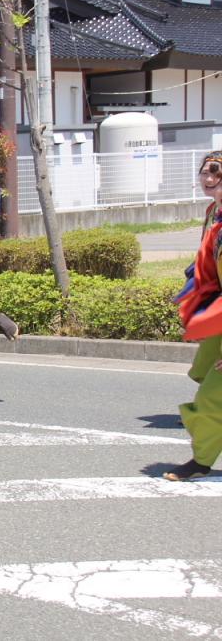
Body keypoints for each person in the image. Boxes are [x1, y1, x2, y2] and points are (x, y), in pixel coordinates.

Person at [168, 150, 222, 481]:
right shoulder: (214, 215)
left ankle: (201, 461)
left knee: (211, 395)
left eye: (215, 172)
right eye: (204, 171)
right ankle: (201, 459)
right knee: (206, 379)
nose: (208, 177)